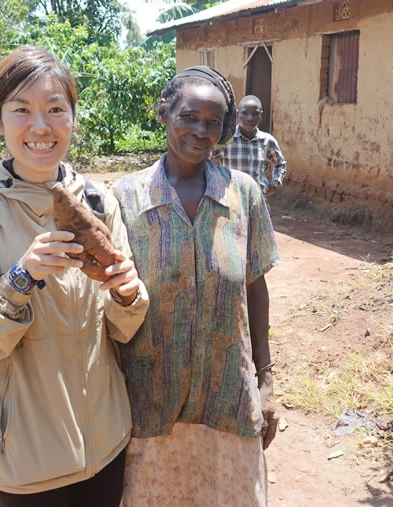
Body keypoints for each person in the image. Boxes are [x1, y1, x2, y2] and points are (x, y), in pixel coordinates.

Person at [0, 45, 149, 506]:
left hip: (104, 443)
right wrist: (20, 277)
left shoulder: (97, 201)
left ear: (72, 117)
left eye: (55, 109)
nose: (40, 126)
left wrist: (128, 296)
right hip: (21, 458)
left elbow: (119, 329)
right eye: (21, 110)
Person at [114, 67, 280, 506]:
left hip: (228, 396)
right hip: (148, 402)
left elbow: (255, 287)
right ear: (164, 113)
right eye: (189, 117)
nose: (200, 131)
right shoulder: (124, 197)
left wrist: (266, 380)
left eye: (213, 122)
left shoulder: (243, 194)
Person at [211, 94, 288, 196]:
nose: (250, 118)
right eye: (245, 113)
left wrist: (275, 183)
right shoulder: (226, 139)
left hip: (258, 200)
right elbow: (205, 159)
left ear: (261, 115)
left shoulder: (267, 141)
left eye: (255, 114)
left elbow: (280, 164)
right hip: (231, 199)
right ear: (237, 114)